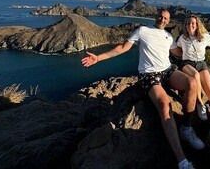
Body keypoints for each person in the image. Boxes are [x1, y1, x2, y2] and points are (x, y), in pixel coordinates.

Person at [81, 9, 203, 169]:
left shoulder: (168, 36)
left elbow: (179, 53)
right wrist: (98, 57)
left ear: (168, 20)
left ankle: (186, 128)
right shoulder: (142, 31)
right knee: (165, 104)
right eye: (160, 16)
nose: (163, 19)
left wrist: (197, 42)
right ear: (156, 16)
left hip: (168, 70)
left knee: (193, 83)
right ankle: (182, 161)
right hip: (149, 75)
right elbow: (122, 48)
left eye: (166, 18)